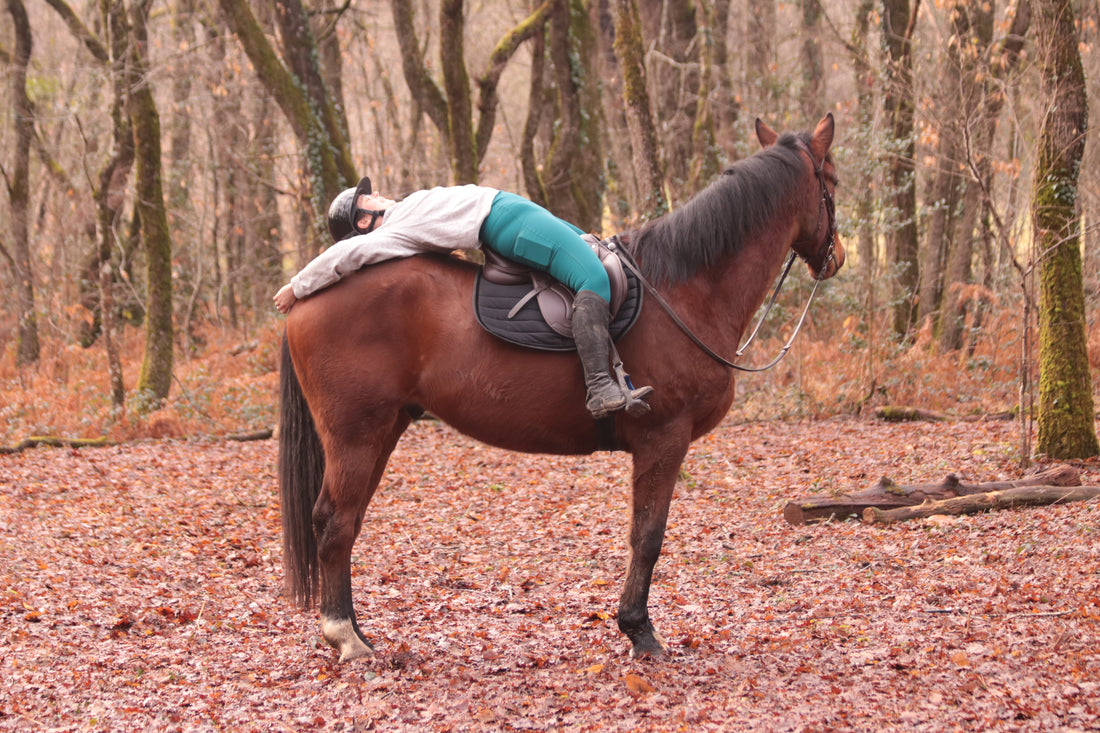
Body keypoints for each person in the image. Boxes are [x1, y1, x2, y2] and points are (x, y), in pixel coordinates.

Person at [274, 177, 651, 419]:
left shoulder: (402, 213)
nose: (374, 194)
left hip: (510, 209)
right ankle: (599, 387)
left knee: (593, 249)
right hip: (504, 219)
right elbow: (344, 255)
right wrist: (298, 286)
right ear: (362, 221)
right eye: (366, 199)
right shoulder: (391, 232)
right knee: (593, 279)